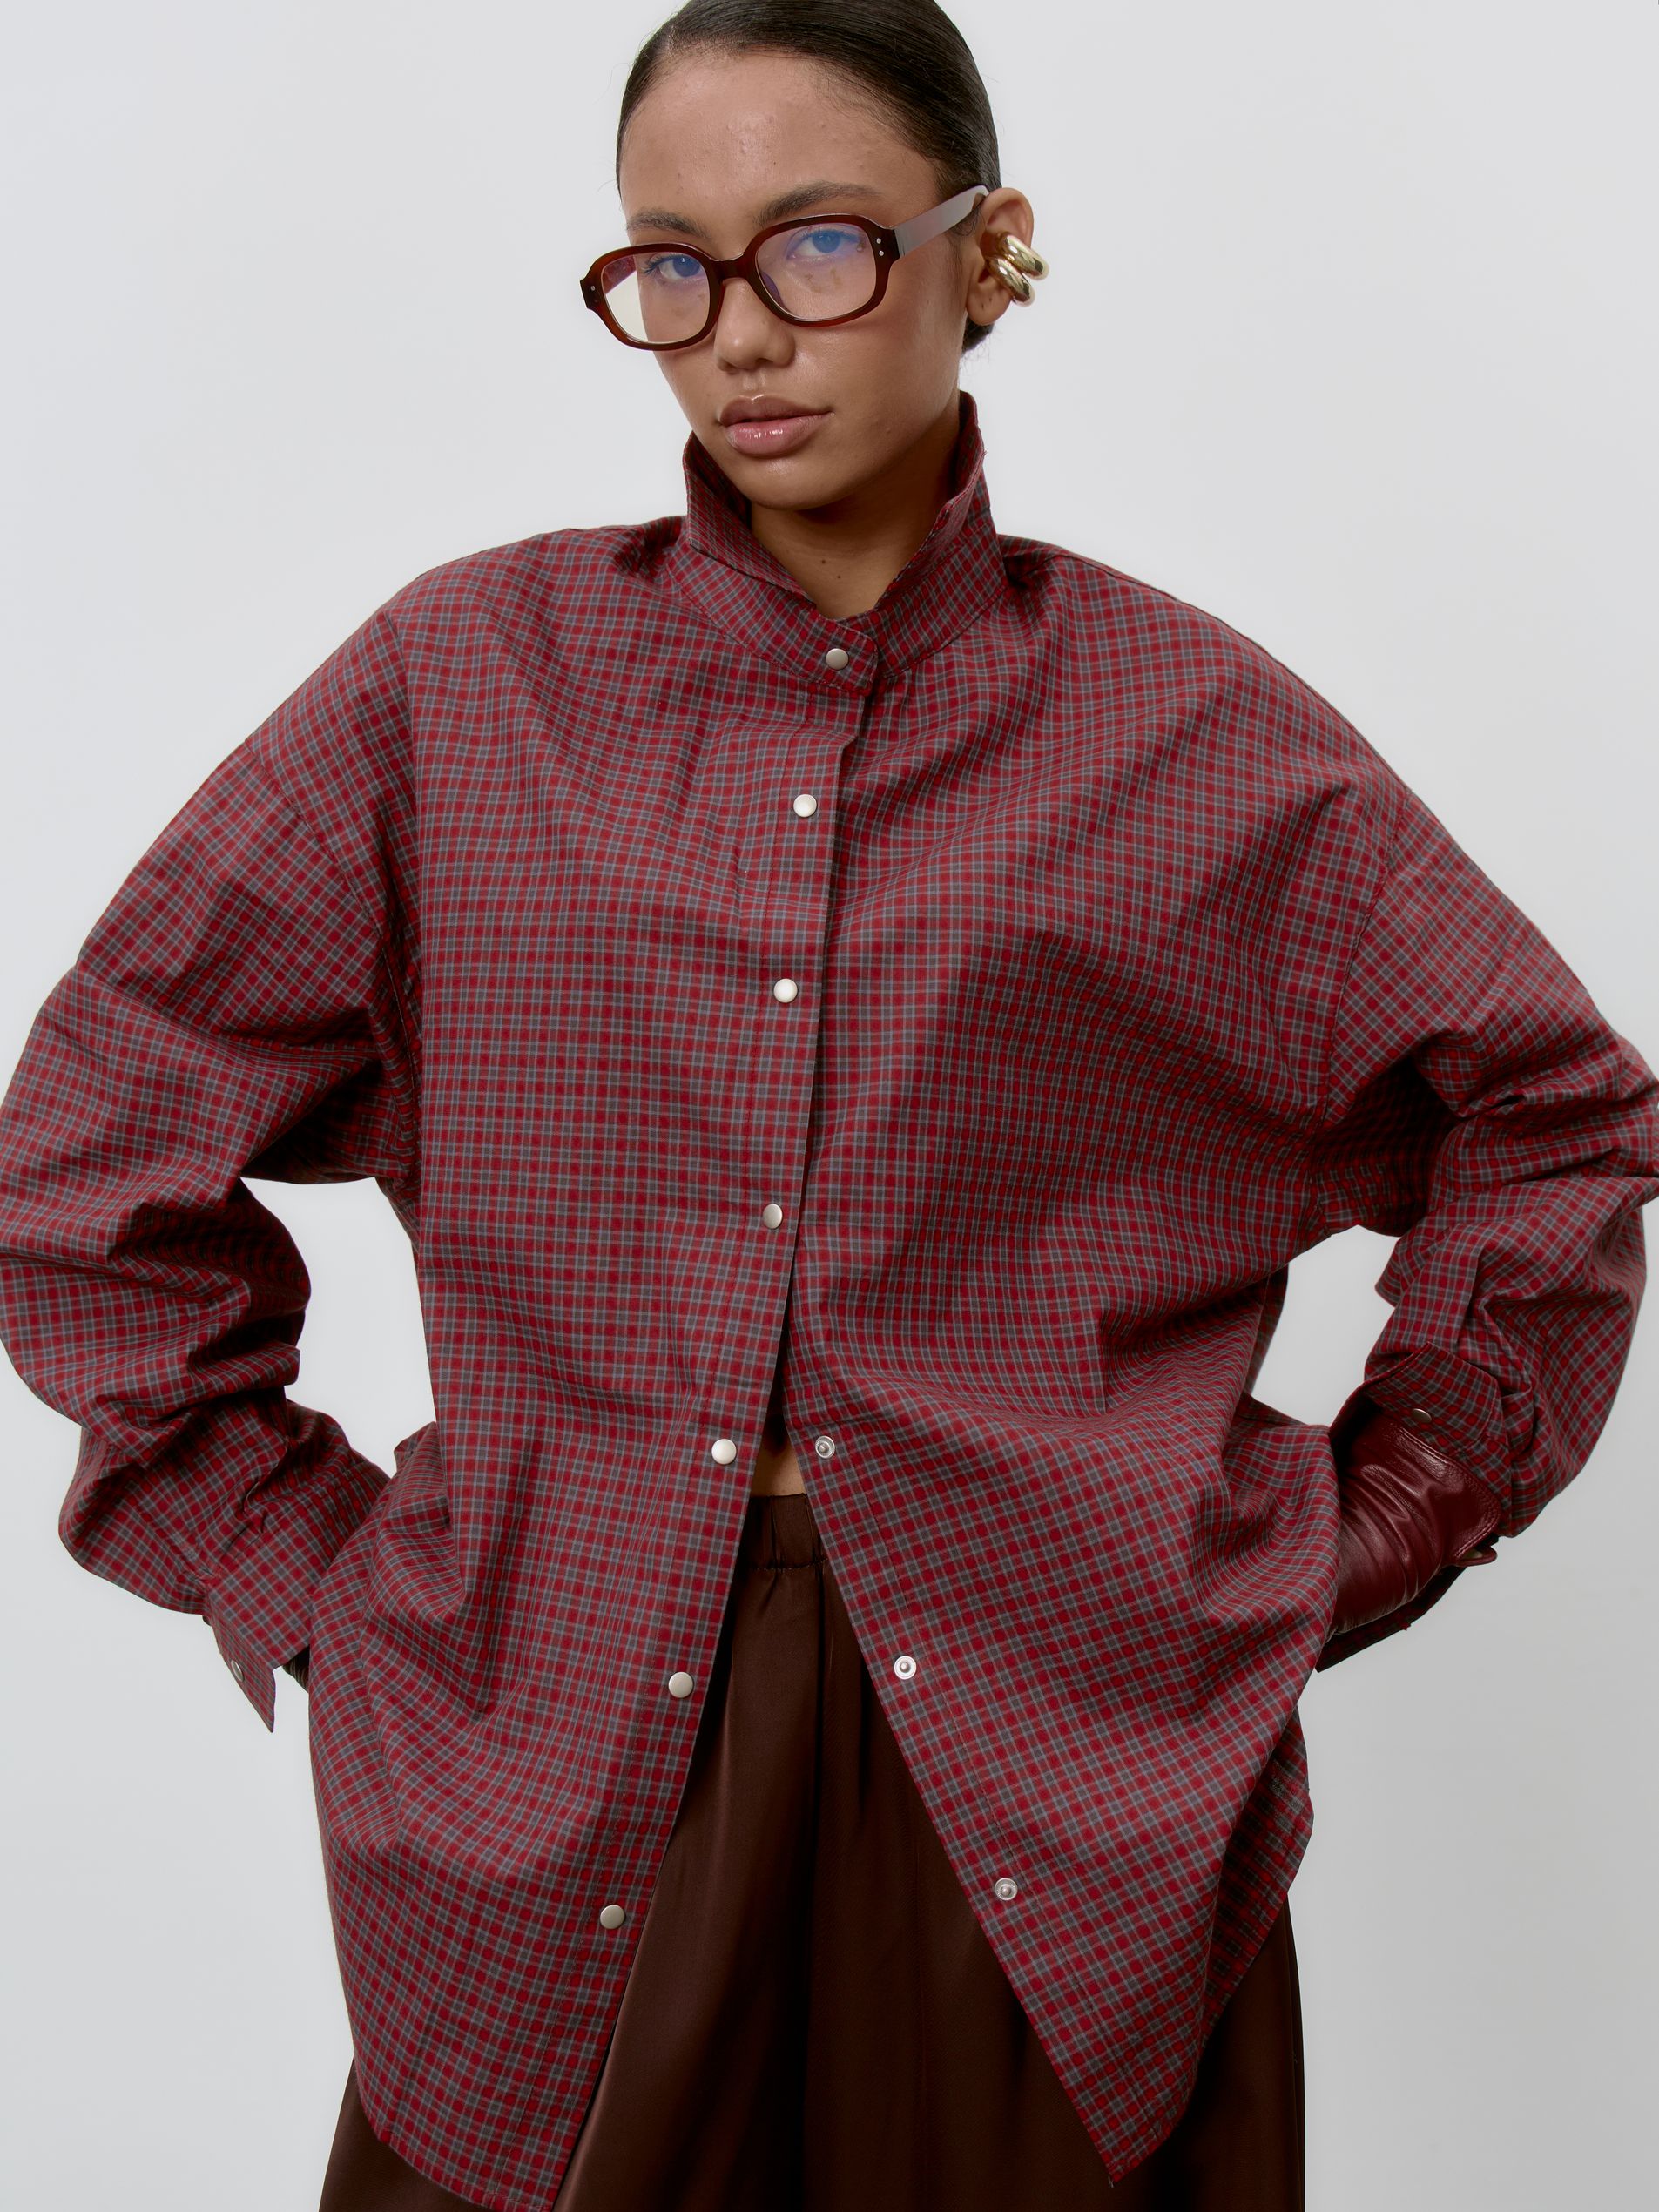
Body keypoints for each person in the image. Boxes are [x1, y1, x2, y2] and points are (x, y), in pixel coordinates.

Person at [0, 3, 1654, 2208]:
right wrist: (308, 1573)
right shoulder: (454, 692)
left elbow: (1553, 1119)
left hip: (1074, 1750)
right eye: (665, 267)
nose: (736, 335)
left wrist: (1391, 1506)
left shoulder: (1192, 733)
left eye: (816, 244)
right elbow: (79, 1165)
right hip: (554, 1721)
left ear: (989, 250)